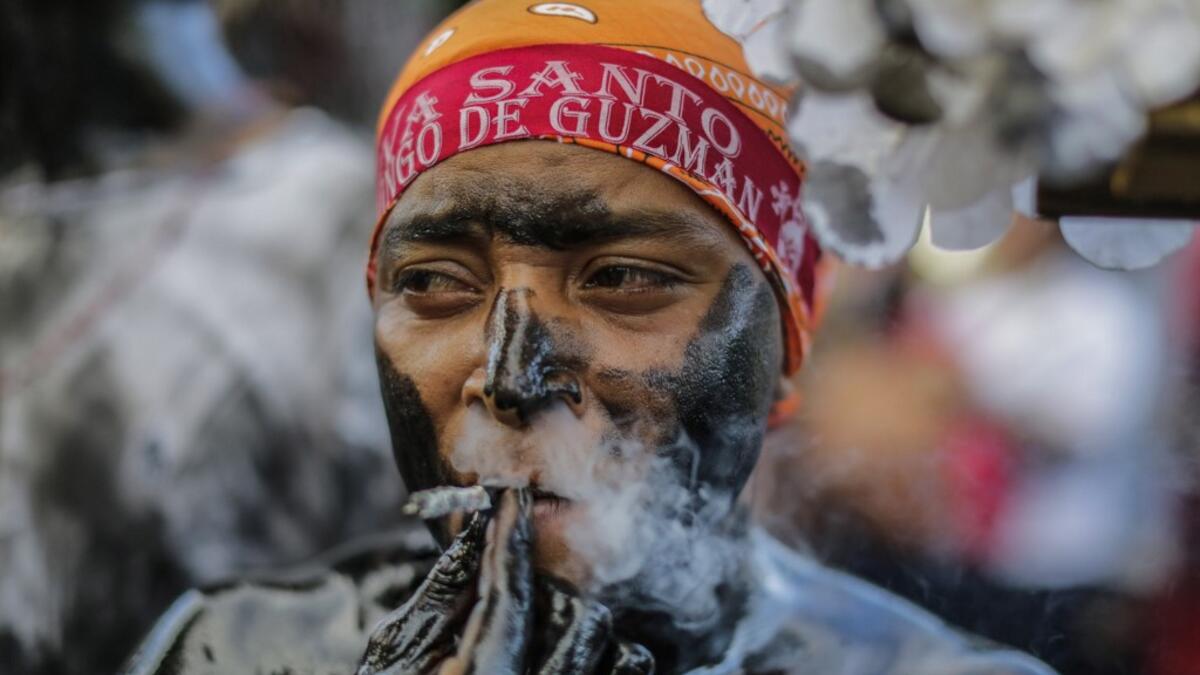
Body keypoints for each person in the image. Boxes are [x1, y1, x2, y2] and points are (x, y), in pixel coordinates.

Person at [121, 1, 1057, 673]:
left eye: (625, 279)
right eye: (435, 284)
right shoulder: (235, 652)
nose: (509, 373)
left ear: (782, 353)